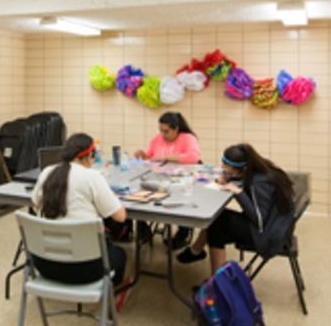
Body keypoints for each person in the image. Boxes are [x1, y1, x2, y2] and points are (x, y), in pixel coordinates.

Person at [32, 133, 132, 310]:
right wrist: (112, 198)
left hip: (44, 264)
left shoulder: (48, 172)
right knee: (121, 255)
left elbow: (35, 207)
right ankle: (115, 293)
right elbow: (120, 217)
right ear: (88, 157)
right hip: (86, 269)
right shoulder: (92, 177)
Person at [177, 143, 296, 275]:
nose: (227, 173)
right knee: (215, 231)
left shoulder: (260, 183)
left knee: (216, 219)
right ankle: (217, 283)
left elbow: (259, 220)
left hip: (268, 236)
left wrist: (238, 192)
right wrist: (230, 177)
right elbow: (241, 178)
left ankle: (197, 254)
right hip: (274, 227)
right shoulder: (259, 168)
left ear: (244, 169)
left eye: (230, 171)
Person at [134, 111, 201, 249]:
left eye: (166, 131)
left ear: (176, 129)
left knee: (183, 201)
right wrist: (143, 156)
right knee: (138, 193)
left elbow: (193, 158)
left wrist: (166, 157)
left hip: (181, 181)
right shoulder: (157, 138)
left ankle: (182, 235)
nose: (163, 134)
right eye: (160, 130)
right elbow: (150, 158)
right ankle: (143, 230)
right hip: (160, 180)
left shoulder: (188, 138)